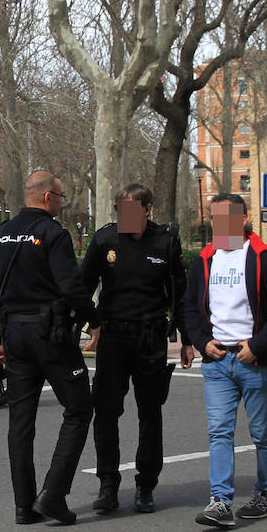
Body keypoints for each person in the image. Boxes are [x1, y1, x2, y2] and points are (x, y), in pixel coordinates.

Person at [0, 171, 99, 526]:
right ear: (48, 197)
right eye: (61, 197)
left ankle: (23, 505)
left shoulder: (0, 234)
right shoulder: (53, 233)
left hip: (13, 332)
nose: (62, 204)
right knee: (79, 408)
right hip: (50, 334)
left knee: (20, 420)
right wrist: (94, 320)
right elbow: (71, 286)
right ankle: (53, 494)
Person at [180, 193, 267, 528]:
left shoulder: (265, 258)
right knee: (219, 432)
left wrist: (258, 345)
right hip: (217, 361)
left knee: (261, 433)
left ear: (243, 220)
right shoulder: (205, 259)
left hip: (255, 360)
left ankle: (266, 495)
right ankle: (220, 501)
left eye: (226, 219)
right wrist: (203, 343)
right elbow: (190, 307)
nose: (219, 226)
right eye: (214, 220)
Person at [81, 183, 187, 515]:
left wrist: (185, 338)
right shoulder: (105, 240)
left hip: (150, 336)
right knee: (106, 413)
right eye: (120, 210)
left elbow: (179, 292)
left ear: (147, 209)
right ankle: (108, 485)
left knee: (150, 412)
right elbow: (82, 287)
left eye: (132, 210)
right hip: (113, 336)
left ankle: (145, 485)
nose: (125, 217)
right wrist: (90, 323)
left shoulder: (165, 241)